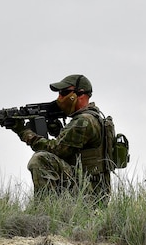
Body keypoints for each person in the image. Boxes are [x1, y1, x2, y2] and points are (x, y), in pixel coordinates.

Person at [12, 74, 111, 202]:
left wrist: (24, 132)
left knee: (41, 159)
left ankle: (45, 210)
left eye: (64, 93)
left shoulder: (84, 121)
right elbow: (74, 152)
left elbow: (55, 150)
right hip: (93, 189)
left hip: (89, 193)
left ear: (80, 94)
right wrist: (58, 131)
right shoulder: (94, 117)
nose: (60, 98)